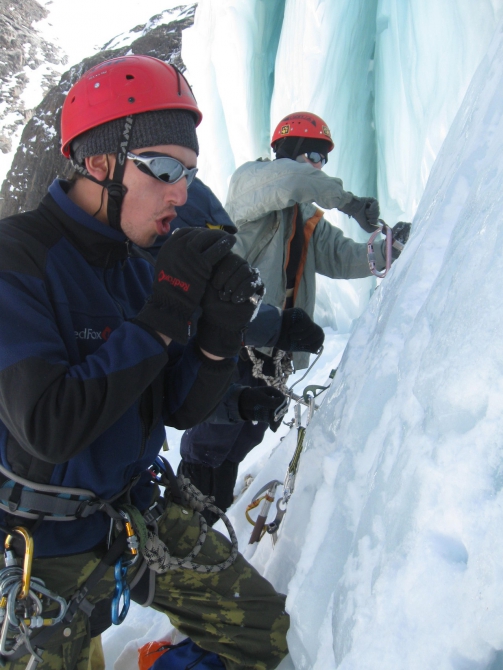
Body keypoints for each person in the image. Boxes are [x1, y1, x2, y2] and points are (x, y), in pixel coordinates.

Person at [0, 55, 289, 669]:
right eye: (163, 169)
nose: (181, 194)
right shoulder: (16, 260)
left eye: (188, 173)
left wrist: (219, 330)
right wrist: (163, 312)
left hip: (135, 514)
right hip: (38, 552)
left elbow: (179, 406)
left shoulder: (137, 263)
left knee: (263, 632)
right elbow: (50, 425)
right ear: (99, 163)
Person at [178, 111, 411, 519]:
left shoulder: (306, 220)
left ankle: (205, 525)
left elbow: (343, 257)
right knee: (212, 437)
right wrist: (350, 202)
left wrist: (388, 249)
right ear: (288, 152)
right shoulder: (251, 184)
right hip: (234, 340)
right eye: (314, 155)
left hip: (275, 354)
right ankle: (182, 520)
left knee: (240, 438)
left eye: (323, 159)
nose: (319, 166)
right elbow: (292, 180)